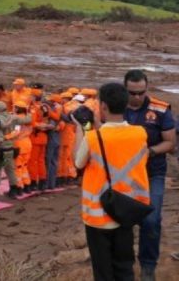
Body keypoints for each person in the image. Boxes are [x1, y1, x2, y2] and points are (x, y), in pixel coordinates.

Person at [74, 82, 150, 281]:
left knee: (103, 271)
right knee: (124, 267)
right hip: (127, 211)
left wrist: (78, 128)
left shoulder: (92, 138)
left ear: (103, 107)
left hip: (98, 216)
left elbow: (78, 162)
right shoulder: (140, 133)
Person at [123, 70, 176, 281]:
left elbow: (171, 143)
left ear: (147, 88)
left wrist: (150, 151)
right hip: (124, 174)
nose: (137, 97)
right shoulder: (116, 108)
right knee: (123, 219)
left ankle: (148, 266)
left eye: (141, 92)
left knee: (151, 220)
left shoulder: (160, 109)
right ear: (124, 88)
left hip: (153, 172)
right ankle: (124, 263)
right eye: (132, 93)